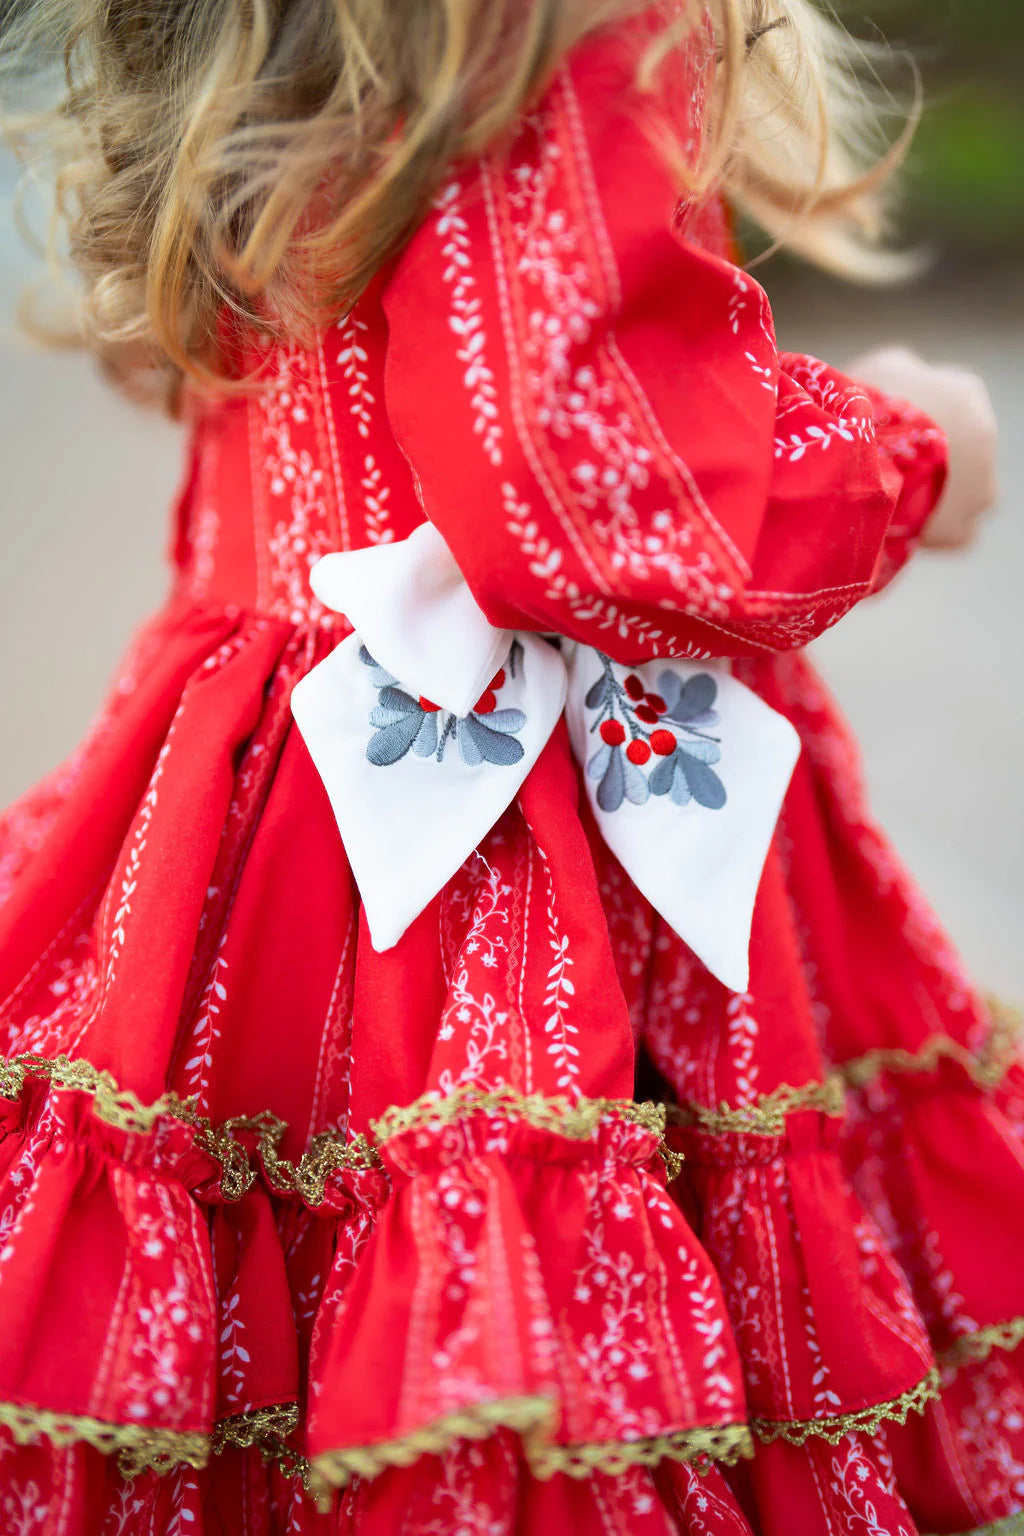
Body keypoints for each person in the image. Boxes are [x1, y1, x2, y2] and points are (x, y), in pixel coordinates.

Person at [0, 1, 1013, 1531]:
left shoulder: (288, 38)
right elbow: (597, 487)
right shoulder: (548, 20)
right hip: (502, 844)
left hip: (267, 799)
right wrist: (911, 446)